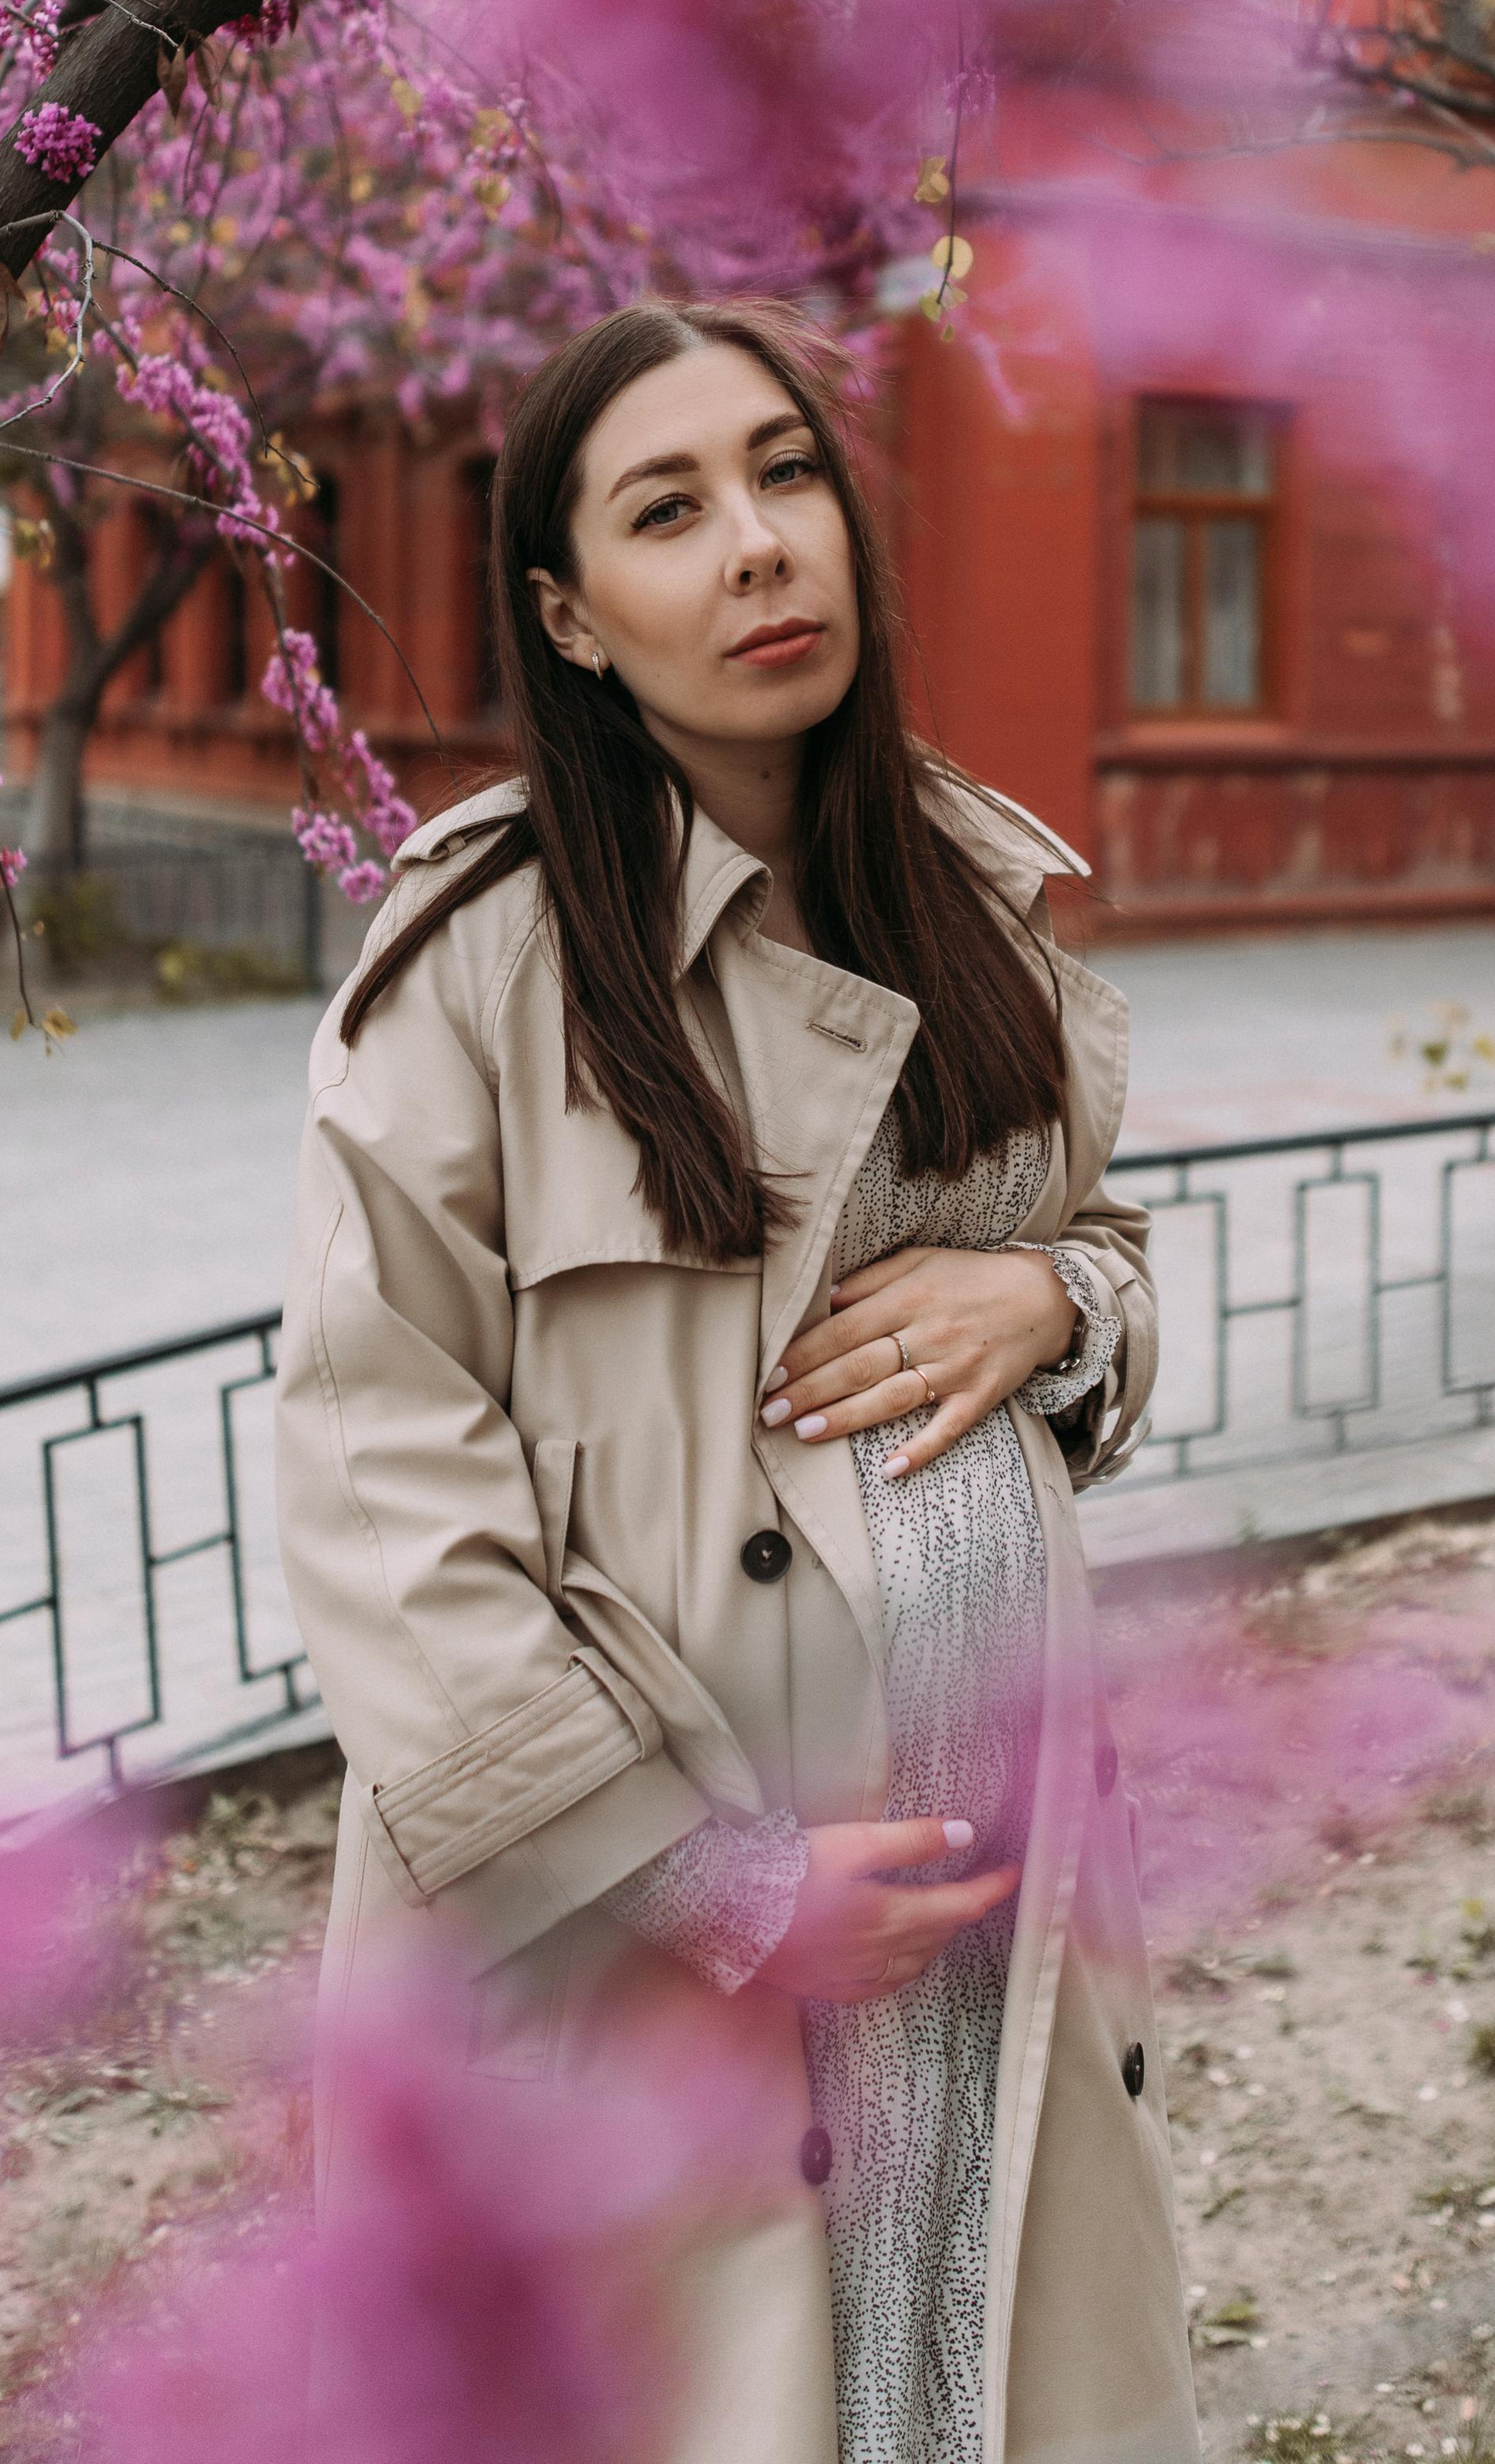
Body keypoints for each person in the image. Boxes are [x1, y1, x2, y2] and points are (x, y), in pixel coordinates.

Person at [273, 297, 1197, 2464]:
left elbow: (1108, 1256)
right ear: (569, 619)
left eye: (785, 477)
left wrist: (1052, 1299)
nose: (758, 546)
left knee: (960, 2380)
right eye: (666, 510)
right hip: (656, 1926)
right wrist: (698, 1885)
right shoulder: (477, 963)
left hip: (989, 1883)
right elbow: (373, 1466)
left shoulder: (967, 892)